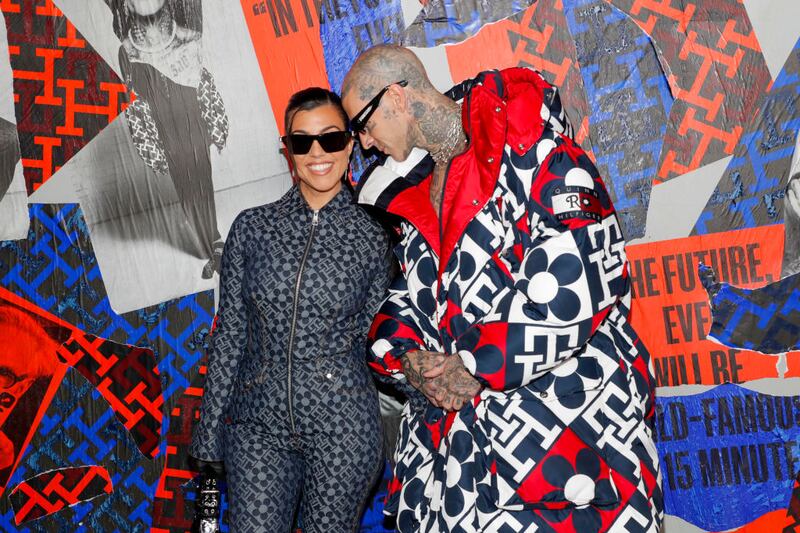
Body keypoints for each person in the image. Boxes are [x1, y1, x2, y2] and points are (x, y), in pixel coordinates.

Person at [342, 44, 663, 532]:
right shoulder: (409, 193)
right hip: (462, 474)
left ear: (397, 98)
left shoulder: (541, 154)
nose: (364, 142)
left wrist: (472, 365)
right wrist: (406, 358)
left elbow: (576, 285)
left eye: (363, 123)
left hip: (569, 450)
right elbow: (408, 297)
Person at [189, 87, 392, 532]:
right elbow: (231, 333)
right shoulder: (253, 228)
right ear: (288, 150)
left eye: (331, 139)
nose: (317, 153)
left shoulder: (376, 235)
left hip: (342, 426)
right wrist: (207, 438)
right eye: (302, 142)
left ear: (351, 143)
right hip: (257, 424)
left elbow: (379, 337)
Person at [105, 0, 229, 279]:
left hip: (192, 118)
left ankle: (214, 239)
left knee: (201, 175)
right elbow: (134, 102)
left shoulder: (188, 37)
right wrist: (148, 144)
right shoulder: (126, 51)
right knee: (184, 184)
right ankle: (207, 239)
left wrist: (215, 118)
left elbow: (202, 81)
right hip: (164, 129)